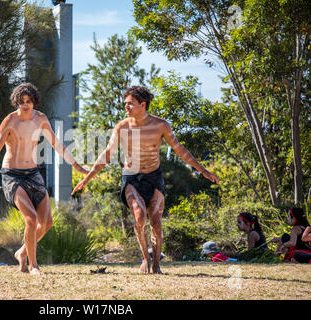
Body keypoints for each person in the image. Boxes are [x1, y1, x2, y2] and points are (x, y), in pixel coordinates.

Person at [72, 85, 219, 274]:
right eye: (125, 104)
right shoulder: (123, 126)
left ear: (143, 104)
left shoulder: (161, 125)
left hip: (154, 177)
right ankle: (145, 258)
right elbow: (107, 153)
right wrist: (87, 178)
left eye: (130, 104)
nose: (126, 107)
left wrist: (202, 170)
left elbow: (180, 149)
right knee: (140, 216)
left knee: (156, 223)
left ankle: (157, 264)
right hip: (131, 177)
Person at [0, 83, 88, 275]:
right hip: (12, 176)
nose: (25, 105)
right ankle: (32, 265)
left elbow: (58, 145)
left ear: (34, 101)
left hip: (33, 174)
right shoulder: (10, 121)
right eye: (21, 102)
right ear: (16, 102)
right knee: (32, 219)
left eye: (29, 101)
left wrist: (77, 166)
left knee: (47, 222)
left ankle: (22, 252)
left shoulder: (41, 118)